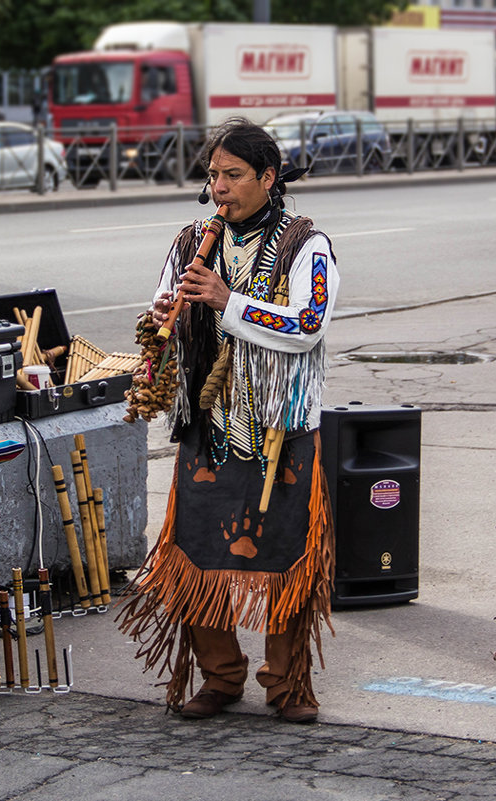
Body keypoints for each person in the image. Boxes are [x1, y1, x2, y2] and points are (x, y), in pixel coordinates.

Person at [118, 117, 339, 723]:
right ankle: (220, 676)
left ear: (269, 178)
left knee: (288, 555)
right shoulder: (192, 240)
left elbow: (307, 326)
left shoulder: (306, 245)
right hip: (208, 423)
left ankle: (287, 684)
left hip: (278, 425)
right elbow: (161, 304)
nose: (219, 187)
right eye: (213, 174)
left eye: (233, 175)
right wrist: (164, 314)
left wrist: (226, 301)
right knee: (193, 551)